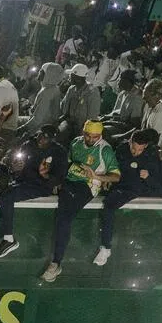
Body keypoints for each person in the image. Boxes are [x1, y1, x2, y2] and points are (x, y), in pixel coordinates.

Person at [41, 120, 120, 282]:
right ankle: (55, 261)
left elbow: (116, 176)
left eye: (95, 137)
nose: (91, 139)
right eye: (88, 136)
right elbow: (68, 164)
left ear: (101, 135)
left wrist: (96, 176)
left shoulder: (105, 150)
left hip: (87, 186)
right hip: (69, 182)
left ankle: (56, 262)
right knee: (62, 218)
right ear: (83, 133)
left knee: (64, 219)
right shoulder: (76, 143)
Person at [0, 125, 68, 258]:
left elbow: (59, 179)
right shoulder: (29, 144)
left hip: (41, 186)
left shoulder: (59, 152)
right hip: (22, 181)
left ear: (52, 140)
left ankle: (8, 240)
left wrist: (45, 175)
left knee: (6, 197)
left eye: (46, 138)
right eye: (40, 135)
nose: (41, 139)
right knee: (2, 191)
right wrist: (14, 168)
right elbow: (15, 164)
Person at [93, 128, 162, 266]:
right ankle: (106, 247)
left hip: (141, 189)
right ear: (130, 142)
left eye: (140, 150)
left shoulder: (151, 155)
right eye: (134, 149)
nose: (136, 153)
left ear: (146, 146)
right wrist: (108, 178)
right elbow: (112, 168)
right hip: (121, 187)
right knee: (108, 206)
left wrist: (148, 177)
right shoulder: (121, 149)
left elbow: (158, 182)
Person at [59, 62, 102, 140]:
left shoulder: (92, 91)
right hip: (70, 124)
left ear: (77, 78)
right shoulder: (71, 89)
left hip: (84, 127)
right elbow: (65, 110)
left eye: (71, 75)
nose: (69, 77)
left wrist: (84, 130)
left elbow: (93, 115)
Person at [140, 78, 162, 151]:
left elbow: (156, 143)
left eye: (147, 98)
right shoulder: (150, 107)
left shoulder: (161, 114)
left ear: (157, 96)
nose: (145, 101)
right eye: (144, 98)